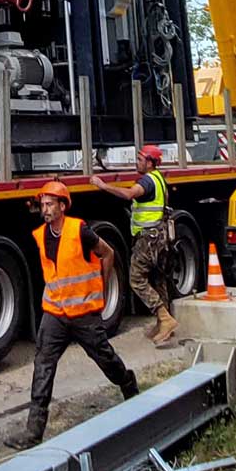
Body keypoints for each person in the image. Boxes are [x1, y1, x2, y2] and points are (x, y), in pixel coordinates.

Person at [7, 181, 138, 449]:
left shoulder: (79, 230)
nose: (45, 209)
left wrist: (101, 289)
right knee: (43, 365)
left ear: (63, 206)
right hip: (55, 311)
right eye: (42, 205)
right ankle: (33, 432)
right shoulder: (40, 235)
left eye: (50, 204)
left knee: (104, 357)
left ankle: (128, 384)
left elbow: (108, 254)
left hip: (83, 313)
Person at [89, 144, 177, 345]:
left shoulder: (147, 181)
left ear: (150, 162)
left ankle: (165, 318)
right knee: (158, 279)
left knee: (136, 279)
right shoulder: (159, 179)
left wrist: (102, 186)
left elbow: (130, 194)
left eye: (140, 159)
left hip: (149, 239)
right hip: (160, 237)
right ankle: (163, 324)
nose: (136, 162)